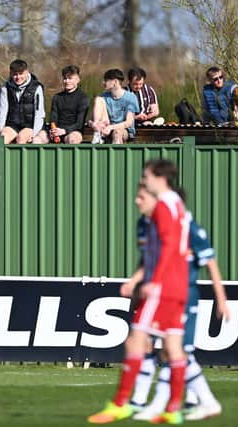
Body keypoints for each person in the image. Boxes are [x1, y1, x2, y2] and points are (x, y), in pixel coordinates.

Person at [88, 159, 189, 425]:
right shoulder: (177, 205)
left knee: (135, 340)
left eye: (146, 177)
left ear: (159, 177)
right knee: (173, 347)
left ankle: (120, 403)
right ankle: (174, 409)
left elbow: (168, 247)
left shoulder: (164, 206)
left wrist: (155, 280)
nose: (143, 182)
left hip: (164, 285)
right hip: (179, 285)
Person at [130, 187, 230, 422]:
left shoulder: (189, 227)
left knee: (177, 350)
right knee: (165, 349)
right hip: (163, 295)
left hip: (184, 295)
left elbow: (211, 262)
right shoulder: (153, 227)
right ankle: (188, 402)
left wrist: (221, 298)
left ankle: (170, 403)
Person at [36, 65, 90, 144]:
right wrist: (53, 130)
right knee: (38, 138)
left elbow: (79, 123)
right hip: (56, 131)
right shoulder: (57, 97)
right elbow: (53, 118)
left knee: (73, 139)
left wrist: (64, 130)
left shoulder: (83, 98)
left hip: (73, 132)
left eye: (70, 78)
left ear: (78, 80)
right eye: (65, 78)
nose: (67, 81)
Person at [0, 59, 45, 144]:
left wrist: (34, 134)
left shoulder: (36, 87)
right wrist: (0, 131)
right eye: (15, 74)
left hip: (29, 125)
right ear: (10, 74)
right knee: (2, 139)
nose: (18, 77)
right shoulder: (5, 88)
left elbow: (39, 114)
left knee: (21, 139)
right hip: (12, 125)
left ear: (26, 72)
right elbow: (2, 112)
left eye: (21, 74)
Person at [88, 68, 140, 145]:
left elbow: (129, 122)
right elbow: (89, 120)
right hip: (105, 129)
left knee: (117, 133)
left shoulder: (130, 97)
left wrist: (111, 127)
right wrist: (95, 125)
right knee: (98, 99)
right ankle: (98, 134)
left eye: (106, 80)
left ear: (115, 82)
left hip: (123, 130)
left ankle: (116, 156)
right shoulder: (102, 97)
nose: (103, 82)